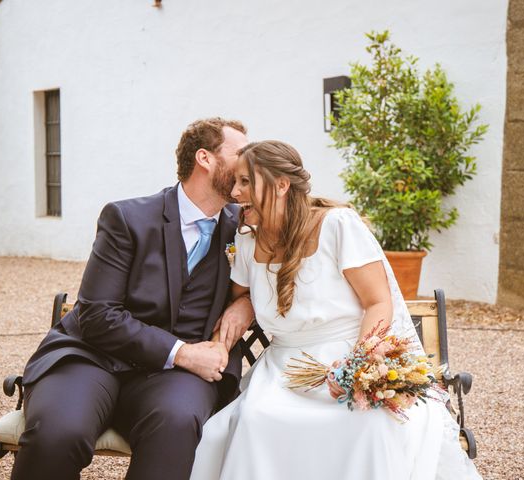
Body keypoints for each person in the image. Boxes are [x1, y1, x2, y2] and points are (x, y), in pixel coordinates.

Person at [190, 140, 482, 479]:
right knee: (255, 420)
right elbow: (244, 294)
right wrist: (242, 306)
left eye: (245, 181)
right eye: (235, 181)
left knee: (369, 425)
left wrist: (358, 366)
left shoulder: (336, 225)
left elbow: (377, 302)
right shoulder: (246, 238)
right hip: (283, 371)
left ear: (282, 185)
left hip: (349, 356)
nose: (235, 191)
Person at [11, 118, 255, 480]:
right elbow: (97, 315)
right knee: (58, 434)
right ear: (205, 158)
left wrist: (245, 304)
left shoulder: (246, 225)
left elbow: (285, 267)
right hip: (92, 358)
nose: (250, 163)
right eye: (241, 154)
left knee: (176, 424)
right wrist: (183, 352)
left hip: (179, 378)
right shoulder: (127, 218)